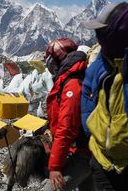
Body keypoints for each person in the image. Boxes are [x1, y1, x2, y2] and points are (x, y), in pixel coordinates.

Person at [81, 2, 128, 190]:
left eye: (102, 32)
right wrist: (93, 134)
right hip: (102, 159)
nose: (98, 37)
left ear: (118, 34)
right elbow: (87, 101)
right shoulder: (100, 63)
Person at [43, 38, 94, 191]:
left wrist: (55, 166)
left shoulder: (72, 82)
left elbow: (67, 126)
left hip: (81, 153)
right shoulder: (77, 76)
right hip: (89, 150)